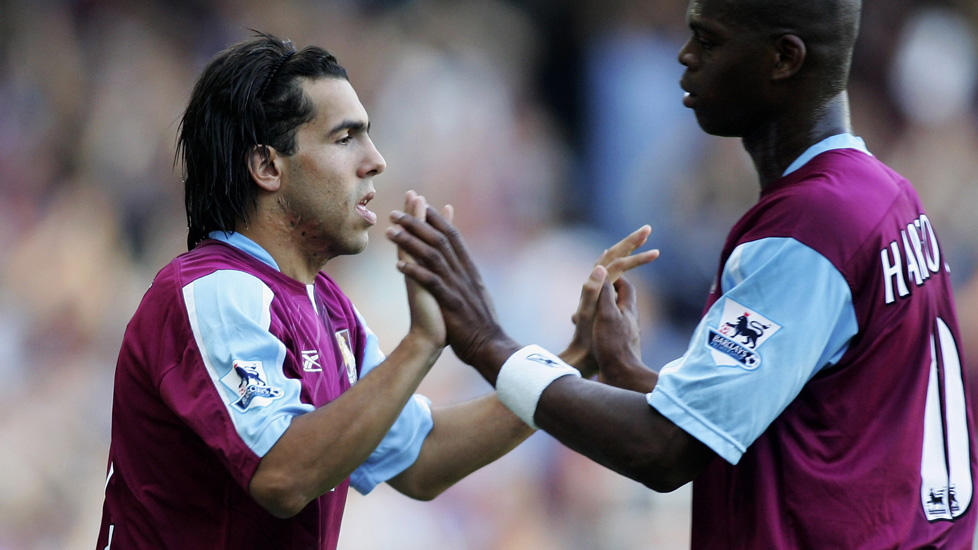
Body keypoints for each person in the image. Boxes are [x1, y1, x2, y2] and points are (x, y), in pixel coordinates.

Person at [386, 0, 978, 547]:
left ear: (783, 58)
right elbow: (792, 424)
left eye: (708, 39)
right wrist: (631, 374)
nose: (685, 56)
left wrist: (487, 344)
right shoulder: (883, 195)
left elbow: (665, 450)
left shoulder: (815, 225)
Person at [95, 32, 655, 549]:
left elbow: (420, 459)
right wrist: (420, 345)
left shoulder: (327, 306)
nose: (376, 160)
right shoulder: (216, 292)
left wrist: (574, 360)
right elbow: (283, 477)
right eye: (346, 137)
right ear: (267, 165)